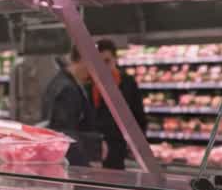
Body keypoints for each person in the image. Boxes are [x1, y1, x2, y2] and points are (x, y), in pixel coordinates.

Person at [91, 39, 147, 170]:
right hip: (93, 146)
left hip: (117, 145)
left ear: (115, 59)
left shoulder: (127, 83)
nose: (102, 67)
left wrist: (139, 144)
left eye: (106, 61)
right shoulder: (89, 83)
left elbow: (138, 114)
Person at [41, 44, 100, 167]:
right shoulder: (67, 89)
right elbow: (62, 133)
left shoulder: (65, 82)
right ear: (83, 59)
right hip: (70, 165)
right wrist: (95, 146)